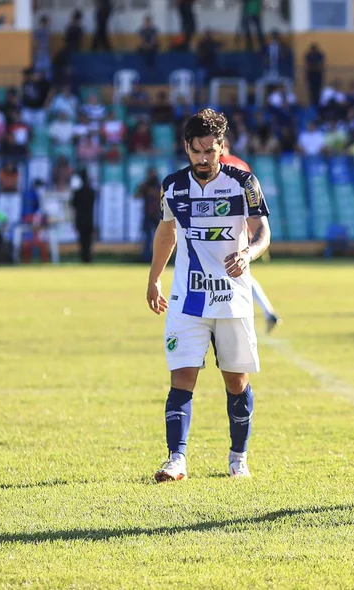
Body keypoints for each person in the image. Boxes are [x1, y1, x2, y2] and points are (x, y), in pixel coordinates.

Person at [147, 108, 272, 482]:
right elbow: (166, 234)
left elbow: (263, 231)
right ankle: (176, 459)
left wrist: (248, 253)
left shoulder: (243, 182)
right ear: (186, 147)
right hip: (188, 298)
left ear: (222, 147)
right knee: (181, 377)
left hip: (232, 299)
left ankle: (238, 457)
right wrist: (154, 279)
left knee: (236, 382)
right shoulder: (173, 186)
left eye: (210, 152)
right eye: (196, 151)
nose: (203, 159)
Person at [220, 139, 282, 333]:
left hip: (226, 228)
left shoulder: (220, 166)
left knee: (235, 271)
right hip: (245, 226)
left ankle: (257, 314)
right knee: (238, 271)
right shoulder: (241, 164)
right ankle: (266, 311)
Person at [71, 168, 97, 263]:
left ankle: (83, 257)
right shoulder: (91, 191)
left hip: (81, 219)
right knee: (88, 241)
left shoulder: (77, 192)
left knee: (82, 240)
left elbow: (73, 204)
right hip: (89, 219)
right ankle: (88, 257)